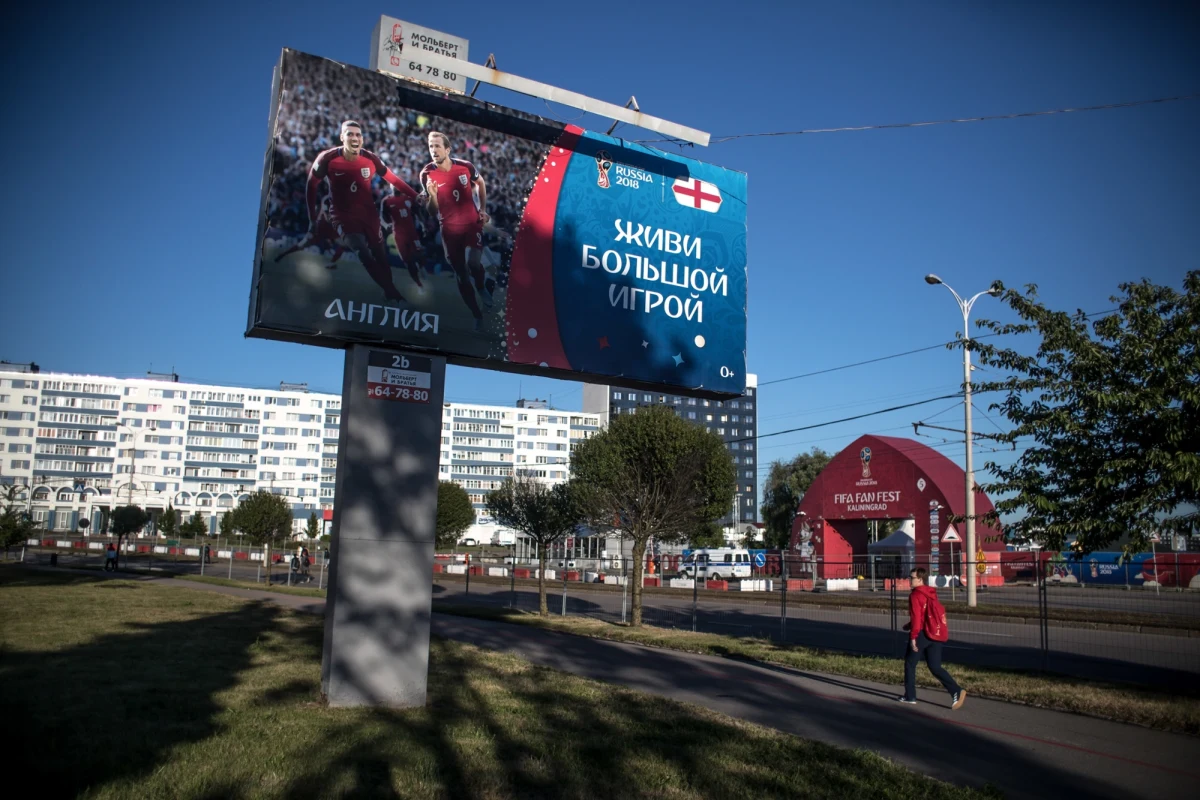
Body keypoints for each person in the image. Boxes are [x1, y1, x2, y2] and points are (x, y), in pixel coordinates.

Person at [306, 120, 416, 302]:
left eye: (358, 135)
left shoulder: (370, 158)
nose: (354, 138)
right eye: (349, 134)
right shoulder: (327, 158)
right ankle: (393, 293)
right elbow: (311, 186)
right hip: (342, 216)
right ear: (342, 138)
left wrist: (415, 195)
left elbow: (393, 179)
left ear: (362, 139)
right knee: (361, 251)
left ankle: (389, 292)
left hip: (369, 216)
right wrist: (312, 218)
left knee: (380, 255)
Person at [418, 131, 493, 330]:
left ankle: (481, 287)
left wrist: (483, 209)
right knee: (460, 275)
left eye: (437, 146)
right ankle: (477, 315)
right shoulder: (426, 174)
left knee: (473, 262)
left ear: (448, 149)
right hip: (449, 230)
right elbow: (432, 211)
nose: (433, 150)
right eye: (430, 146)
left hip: (471, 224)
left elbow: (481, 183)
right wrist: (432, 196)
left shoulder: (465, 167)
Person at [899, 567, 966, 709]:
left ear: (920, 579)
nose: (909, 580)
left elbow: (917, 617)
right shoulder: (930, 593)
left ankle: (910, 696)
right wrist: (909, 625)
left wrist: (913, 636)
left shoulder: (915, 595)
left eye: (912, 577)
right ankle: (956, 690)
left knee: (910, 664)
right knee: (935, 666)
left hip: (922, 634)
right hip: (934, 633)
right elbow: (926, 614)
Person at [381, 188, 426, 289]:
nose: (394, 186)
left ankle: (423, 271)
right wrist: (385, 225)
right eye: (392, 184)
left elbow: (418, 212)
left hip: (412, 233)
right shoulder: (386, 201)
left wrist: (423, 225)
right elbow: (382, 217)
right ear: (390, 186)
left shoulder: (409, 198)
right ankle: (419, 284)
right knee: (407, 261)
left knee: (419, 255)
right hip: (398, 235)